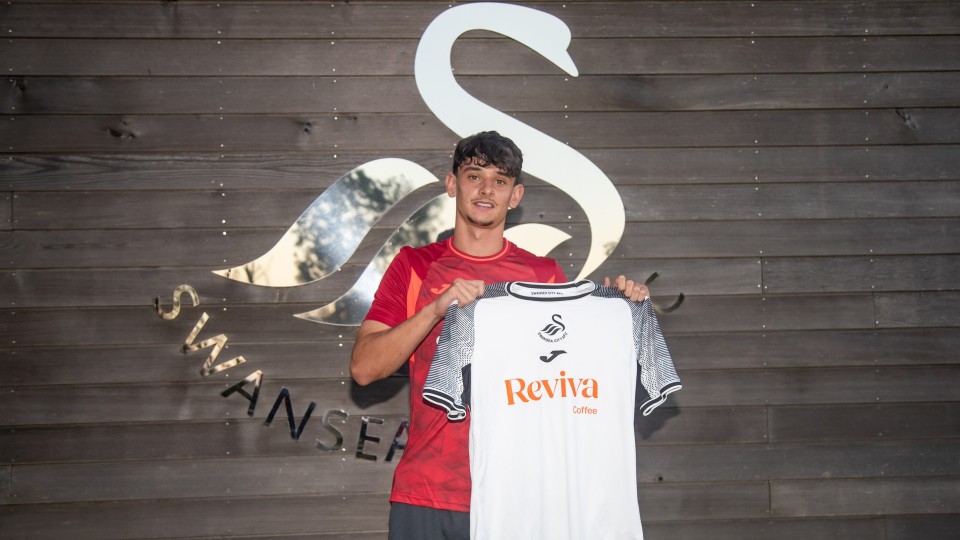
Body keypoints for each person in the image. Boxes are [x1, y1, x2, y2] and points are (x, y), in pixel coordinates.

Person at [350, 131, 649, 539]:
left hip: (521, 498)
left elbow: (577, 382)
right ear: (452, 184)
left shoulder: (543, 276)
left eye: (501, 180)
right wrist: (435, 309)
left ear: (516, 195)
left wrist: (624, 309)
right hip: (430, 491)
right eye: (475, 176)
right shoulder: (413, 266)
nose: (486, 189)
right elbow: (365, 369)